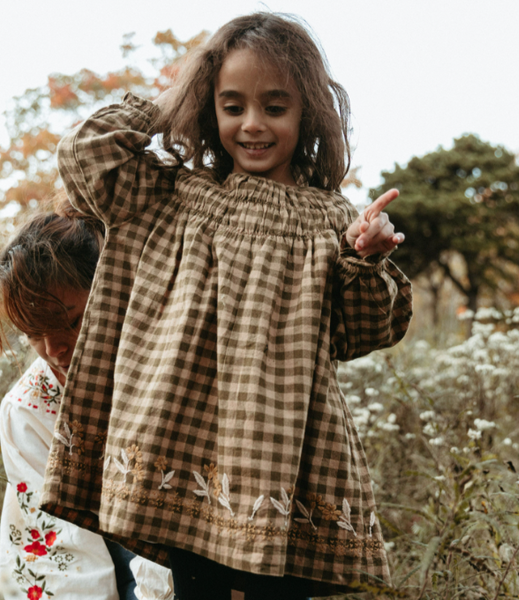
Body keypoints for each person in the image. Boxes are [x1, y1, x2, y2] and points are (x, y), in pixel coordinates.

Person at [40, 12, 413, 599]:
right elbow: (86, 157)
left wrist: (367, 258)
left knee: (278, 591)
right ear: (209, 109)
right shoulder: (169, 194)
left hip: (284, 458)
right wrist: (173, 102)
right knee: (198, 590)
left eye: (275, 106)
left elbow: (365, 331)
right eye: (232, 105)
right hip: (180, 453)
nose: (253, 124)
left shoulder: (331, 219)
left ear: (307, 111)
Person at [0, 200, 173, 600]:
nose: (52, 348)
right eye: (33, 333)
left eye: (70, 321)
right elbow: (68, 569)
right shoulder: (29, 409)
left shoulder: (169, 359)